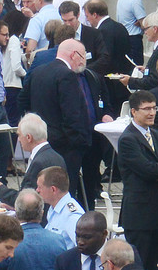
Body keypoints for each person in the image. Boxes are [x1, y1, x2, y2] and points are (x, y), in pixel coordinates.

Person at [25, 36, 101, 207]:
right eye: (82, 56)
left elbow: (26, 101)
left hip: (45, 142)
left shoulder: (38, 72)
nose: (84, 62)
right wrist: (79, 142)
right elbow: (73, 114)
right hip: (66, 146)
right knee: (64, 191)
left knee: (45, 189)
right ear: (74, 55)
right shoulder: (67, 76)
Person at [114, 89, 158, 268]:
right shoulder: (128, 139)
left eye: (154, 108)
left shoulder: (156, 135)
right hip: (139, 215)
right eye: (146, 109)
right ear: (134, 112)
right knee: (139, 263)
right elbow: (146, 169)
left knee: (157, 265)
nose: (152, 113)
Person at [34, 166, 83, 242]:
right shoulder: (53, 208)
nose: (37, 190)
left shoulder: (72, 217)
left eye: (40, 187)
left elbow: (84, 249)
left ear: (53, 189)